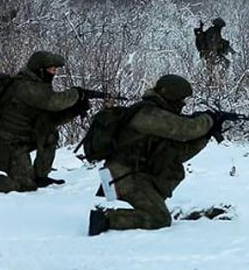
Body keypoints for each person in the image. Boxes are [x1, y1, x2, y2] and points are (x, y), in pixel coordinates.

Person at [88, 74, 215, 236]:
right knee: (159, 218)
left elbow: (177, 154)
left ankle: (114, 209)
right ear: (171, 96)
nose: (182, 104)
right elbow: (187, 129)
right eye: (181, 99)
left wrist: (206, 136)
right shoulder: (148, 114)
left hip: (128, 176)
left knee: (157, 208)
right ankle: (107, 218)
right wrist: (209, 119)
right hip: (123, 177)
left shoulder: (156, 113)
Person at [0, 51, 90, 194]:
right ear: (40, 69)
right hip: (8, 144)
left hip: (22, 139)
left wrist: (75, 110)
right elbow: (54, 102)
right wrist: (77, 94)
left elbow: (49, 119)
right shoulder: (25, 86)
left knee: (49, 134)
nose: (54, 73)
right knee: (24, 186)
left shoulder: (37, 87)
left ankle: (40, 176)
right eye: (52, 70)